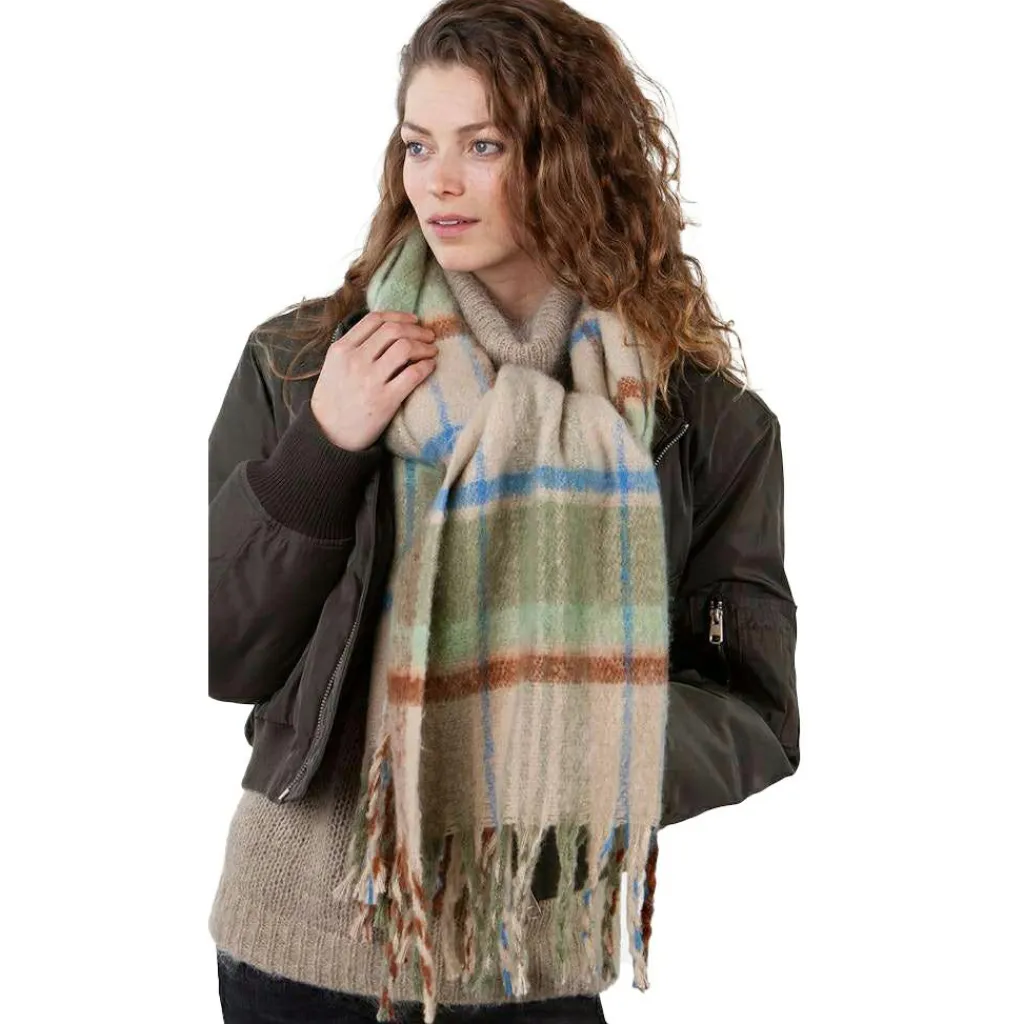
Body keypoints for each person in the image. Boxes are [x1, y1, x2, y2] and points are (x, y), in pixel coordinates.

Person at [207, 1, 800, 1021]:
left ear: (573, 160)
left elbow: (758, 711)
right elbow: (226, 655)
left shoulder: (696, 420)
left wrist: (567, 755)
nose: (437, 181)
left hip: (531, 954)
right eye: (418, 144)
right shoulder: (305, 364)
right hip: (298, 945)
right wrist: (323, 447)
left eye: (483, 146)